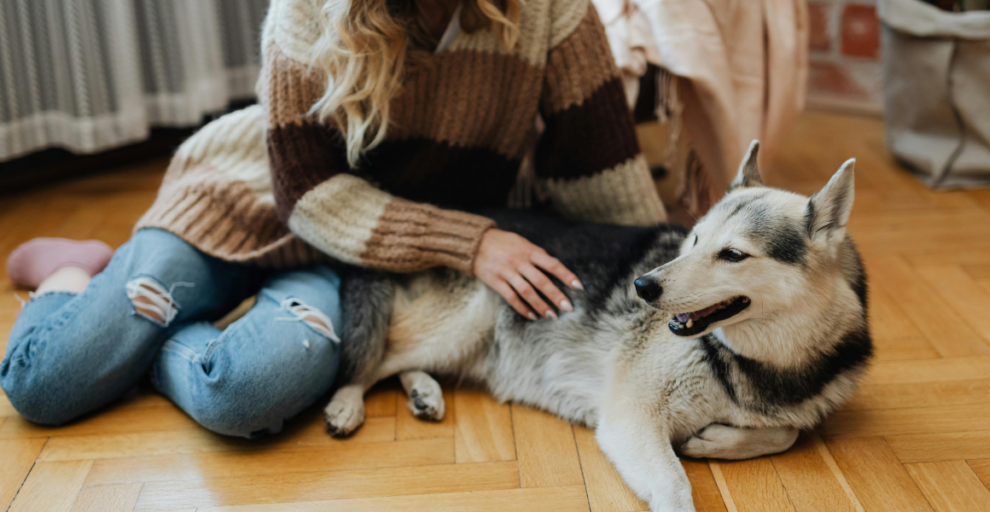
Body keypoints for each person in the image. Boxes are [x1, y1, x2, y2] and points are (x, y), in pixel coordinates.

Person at [1, 0, 666, 438]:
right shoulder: (307, 8)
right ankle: (71, 270)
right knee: (44, 384)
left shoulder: (553, 10)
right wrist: (473, 241)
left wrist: (668, 278)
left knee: (242, 394)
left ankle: (145, 341)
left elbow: (599, 173)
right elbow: (307, 195)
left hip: (362, 259)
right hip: (242, 203)